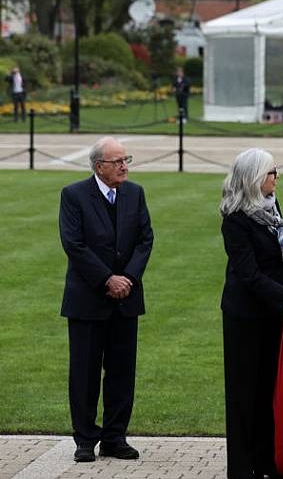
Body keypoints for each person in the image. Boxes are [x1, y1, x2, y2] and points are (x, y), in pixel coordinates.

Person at [219, 148, 283, 479]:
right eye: (271, 172)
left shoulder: (271, 206)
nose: (277, 177)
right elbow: (248, 275)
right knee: (243, 392)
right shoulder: (235, 219)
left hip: (272, 310)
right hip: (244, 315)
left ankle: (267, 462)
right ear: (254, 178)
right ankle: (241, 468)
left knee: (269, 390)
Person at [59, 136, 154, 463]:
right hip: (88, 300)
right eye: (117, 161)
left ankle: (115, 437)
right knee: (84, 373)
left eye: (126, 159)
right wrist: (106, 279)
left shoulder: (135, 193)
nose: (124, 166)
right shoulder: (73, 196)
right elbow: (74, 245)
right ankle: (85, 439)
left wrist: (127, 277)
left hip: (126, 298)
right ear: (99, 166)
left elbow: (145, 239)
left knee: (122, 372)